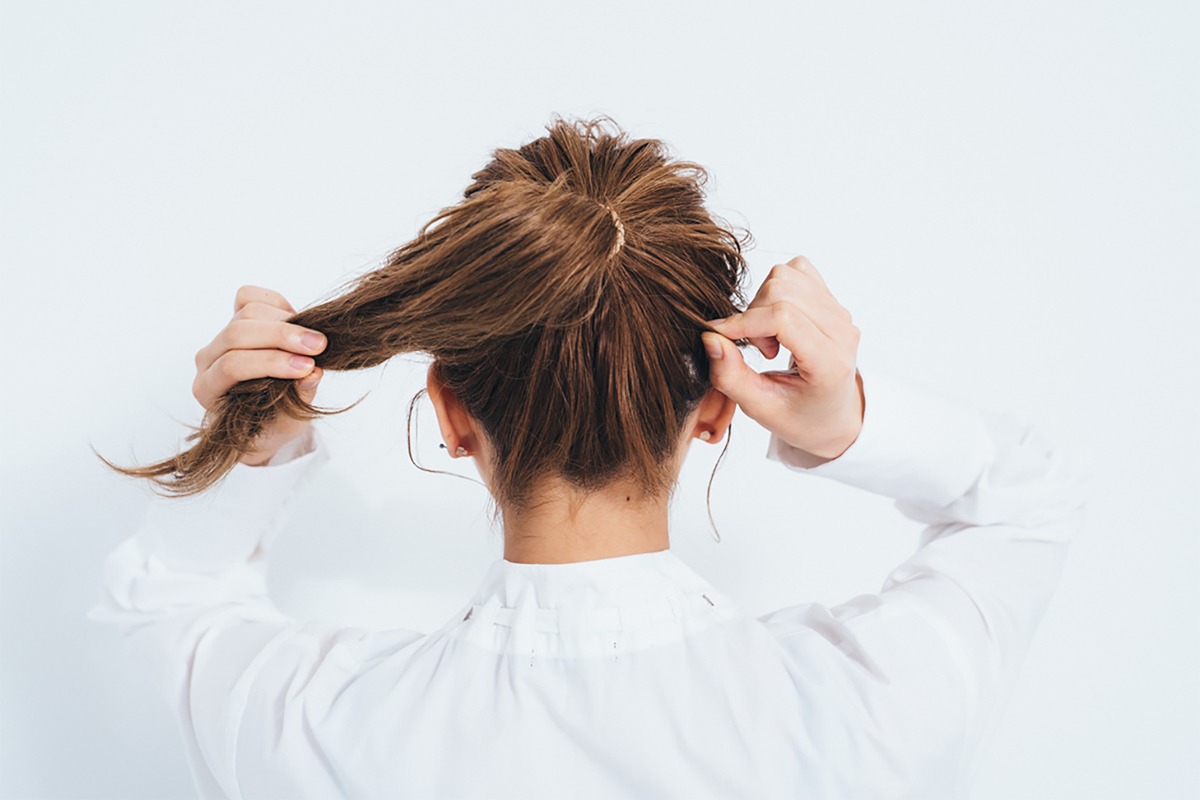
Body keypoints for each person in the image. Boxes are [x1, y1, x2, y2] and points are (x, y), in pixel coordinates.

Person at [92, 118, 1086, 799]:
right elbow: (1020, 501)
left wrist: (262, 445)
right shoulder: (868, 712)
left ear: (448, 408)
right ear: (715, 409)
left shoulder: (324, 729)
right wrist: (841, 419)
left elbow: (171, 603)